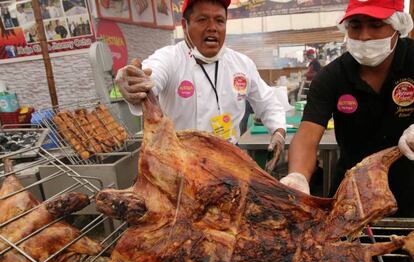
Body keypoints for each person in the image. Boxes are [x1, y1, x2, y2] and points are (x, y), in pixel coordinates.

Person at [116, 0, 287, 172]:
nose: (212, 27)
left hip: (229, 163)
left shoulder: (241, 64)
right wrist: (134, 81)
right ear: (185, 25)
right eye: (203, 19)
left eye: (219, 21)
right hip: (180, 164)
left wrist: (278, 132)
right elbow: (150, 78)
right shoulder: (170, 58)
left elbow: (267, 102)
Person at [280, 0, 414, 216]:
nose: (364, 36)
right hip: (353, 196)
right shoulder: (332, 76)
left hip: (410, 189)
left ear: (398, 26)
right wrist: (298, 176)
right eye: (355, 25)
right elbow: (307, 135)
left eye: (376, 25)